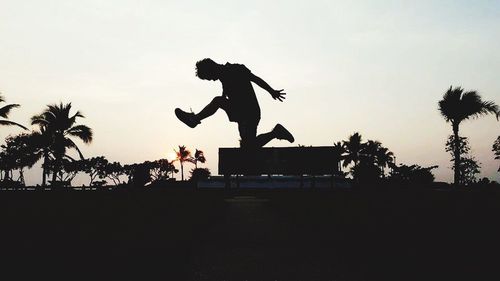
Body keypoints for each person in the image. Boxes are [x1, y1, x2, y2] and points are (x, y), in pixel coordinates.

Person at [175, 58, 294, 148]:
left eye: (209, 77)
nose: (211, 80)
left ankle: (194, 119)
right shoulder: (223, 78)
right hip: (241, 113)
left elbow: (255, 79)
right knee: (248, 146)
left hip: (249, 112)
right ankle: (276, 132)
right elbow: (223, 100)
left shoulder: (235, 69)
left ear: (211, 69)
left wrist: (271, 91)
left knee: (249, 145)